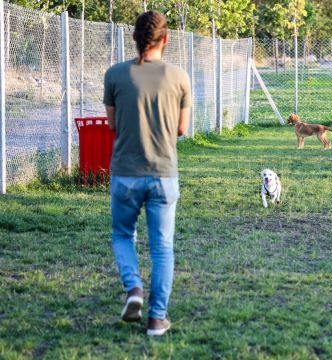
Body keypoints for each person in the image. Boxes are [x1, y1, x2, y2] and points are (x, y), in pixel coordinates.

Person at [103, 11, 191, 336]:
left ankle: (134, 289)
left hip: (125, 173)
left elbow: (111, 124)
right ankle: (157, 319)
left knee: (123, 235)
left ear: (134, 38)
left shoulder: (114, 75)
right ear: (165, 40)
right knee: (162, 247)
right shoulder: (180, 77)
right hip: (164, 174)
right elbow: (182, 128)